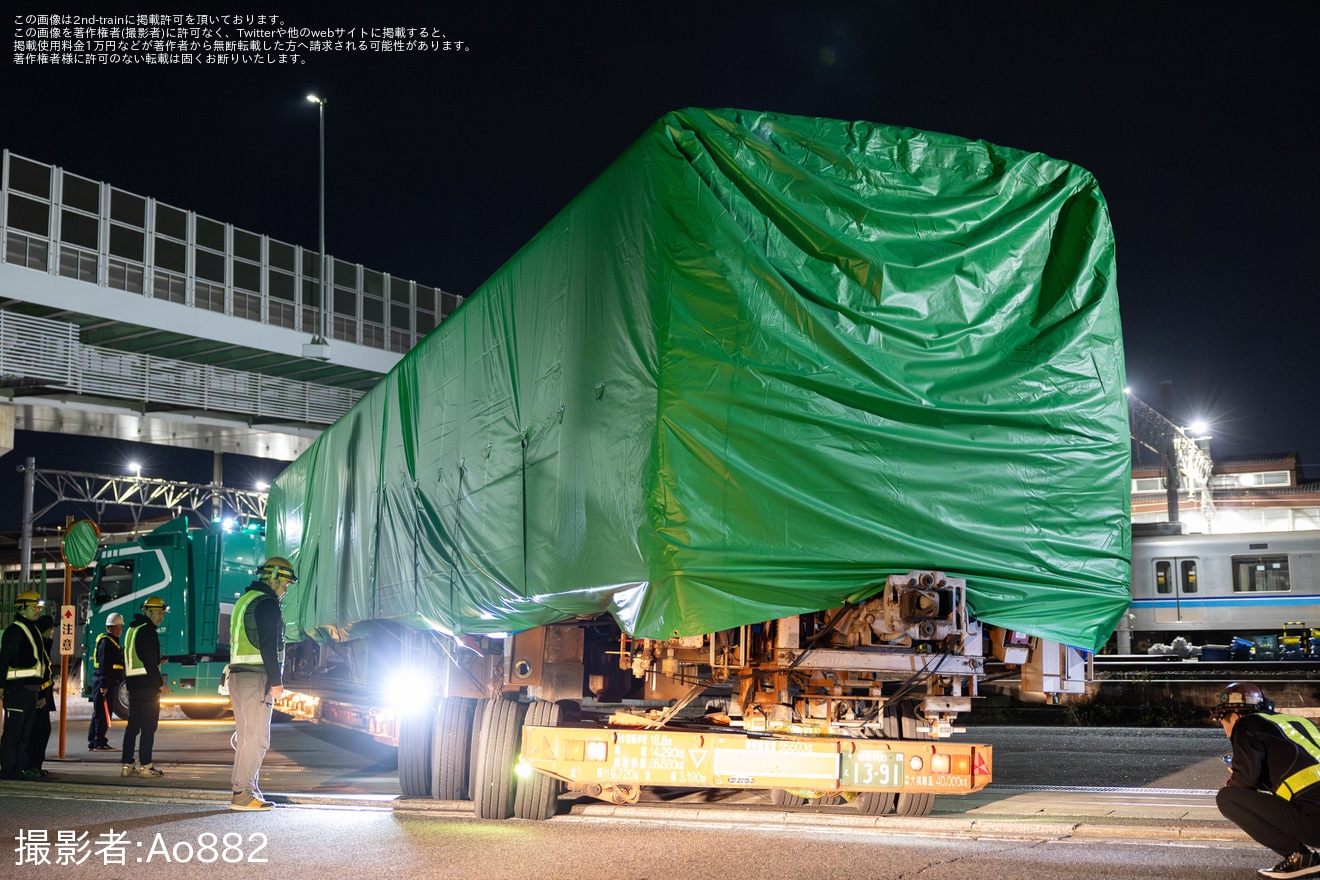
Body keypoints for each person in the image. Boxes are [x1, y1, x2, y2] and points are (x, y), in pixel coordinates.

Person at [1211, 681, 1320, 879]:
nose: (1225, 729)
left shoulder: (1245, 725)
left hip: (1316, 824)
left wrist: (1235, 776)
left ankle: (1299, 857)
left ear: (1233, 716)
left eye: (1222, 721)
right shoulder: (1300, 723)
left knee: (1228, 798)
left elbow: (1245, 781)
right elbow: (1296, 771)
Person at [227, 556, 297, 811]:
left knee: (246, 737)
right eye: (285, 582)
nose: (286, 588)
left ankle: (245, 788)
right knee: (257, 739)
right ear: (274, 577)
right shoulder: (267, 603)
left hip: (238, 676)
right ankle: (242, 794)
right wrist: (276, 681)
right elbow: (268, 643)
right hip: (255, 677)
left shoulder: (245, 600)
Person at [0, 591, 50, 780]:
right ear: (21, 609)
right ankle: (7, 770)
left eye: (38, 607)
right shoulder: (15, 630)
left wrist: (40, 693)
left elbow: (40, 665)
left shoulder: (32, 629)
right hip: (17, 690)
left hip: (30, 691)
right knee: (13, 733)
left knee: (25, 734)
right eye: (34, 607)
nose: (37, 610)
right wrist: (1, 685)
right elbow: (3, 659)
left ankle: (19, 768)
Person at [120, 596, 171, 778]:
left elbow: (135, 656)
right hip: (148, 687)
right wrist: (160, 684)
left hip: (133, 685)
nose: (161, 617)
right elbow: (148, 661)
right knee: (149, 727)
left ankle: (127, 765)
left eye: (163, 614)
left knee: (133, 726)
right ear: (148, 612)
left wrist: (158, 659)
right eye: (158, 613)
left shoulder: (132, 629)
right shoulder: (148, 631)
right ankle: (146, 766)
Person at [87, 612, 125, 751]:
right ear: (110, 628)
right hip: (104, 681)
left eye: (121, 627)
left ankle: (95, 741)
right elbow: (104, 664)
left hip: (107, 680)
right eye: (117, 627)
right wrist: (104, 684)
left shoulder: (112, 641)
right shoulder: (106, 642)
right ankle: (98, 742)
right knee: (102, 713)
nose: (120, 630)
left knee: (101, 712)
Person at [25, 615, 57, 777]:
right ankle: (32, 765)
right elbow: (40, 673)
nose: (52, 631)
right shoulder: (39, 645)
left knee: (42, 731)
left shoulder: (44, 645)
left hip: (44, 695)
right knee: (37, 732)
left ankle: (36, 765)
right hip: (40, 696)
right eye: (50, 628)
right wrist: (40, 696)